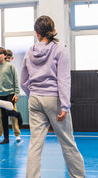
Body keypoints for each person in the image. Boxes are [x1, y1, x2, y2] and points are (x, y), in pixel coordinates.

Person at [21, 15, 85, 178]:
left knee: (35, 145)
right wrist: (65, 105)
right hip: (54, 99)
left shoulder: (29, 52)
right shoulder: (60, 50)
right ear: (53, 30)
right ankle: (78, 176)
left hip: (35, 99)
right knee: (67, 141)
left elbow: (23, 82)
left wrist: (32, 94)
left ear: (37, 33)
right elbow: (63, 80)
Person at [0, 47, 23, 144]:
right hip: (1, 95)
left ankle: (17, 115)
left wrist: (16, 93)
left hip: (10, 94)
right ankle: (6, 138)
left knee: (9, 112)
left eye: (0, 53)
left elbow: (16, 80)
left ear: (5, 55)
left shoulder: (10, 66)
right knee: (3, 117)